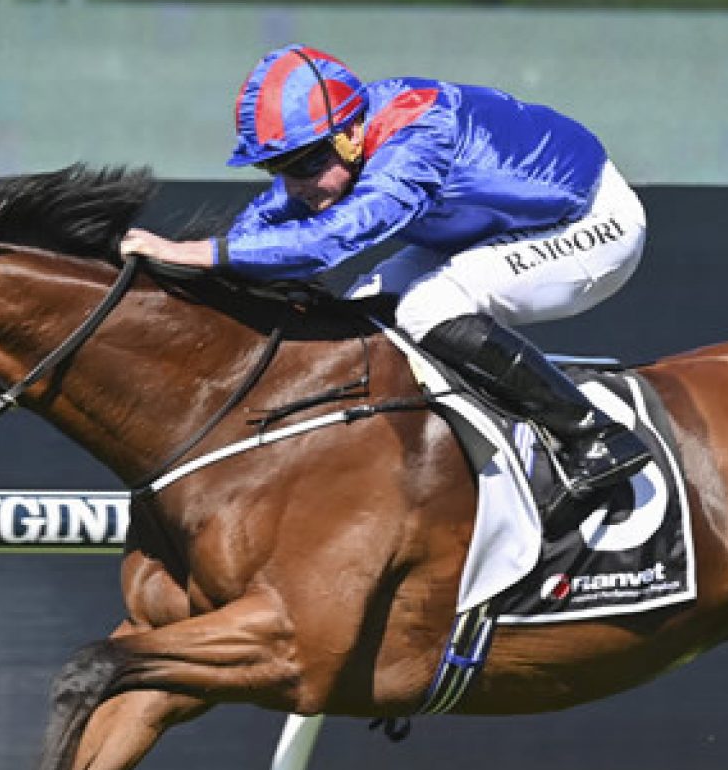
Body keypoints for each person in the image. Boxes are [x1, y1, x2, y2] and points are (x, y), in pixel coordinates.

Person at [118, 43, 651, 533]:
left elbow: (331, 239)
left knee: (426, 308)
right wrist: (207, 263)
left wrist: (206, 253)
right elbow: (270, 217)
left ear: (351, 136)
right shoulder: (340, 139)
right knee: (355, 322)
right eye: (276, 168)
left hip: (589, 223)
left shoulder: (416, 140)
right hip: (482, 227)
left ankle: (596, 436)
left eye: (303, 164)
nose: (296, 183)